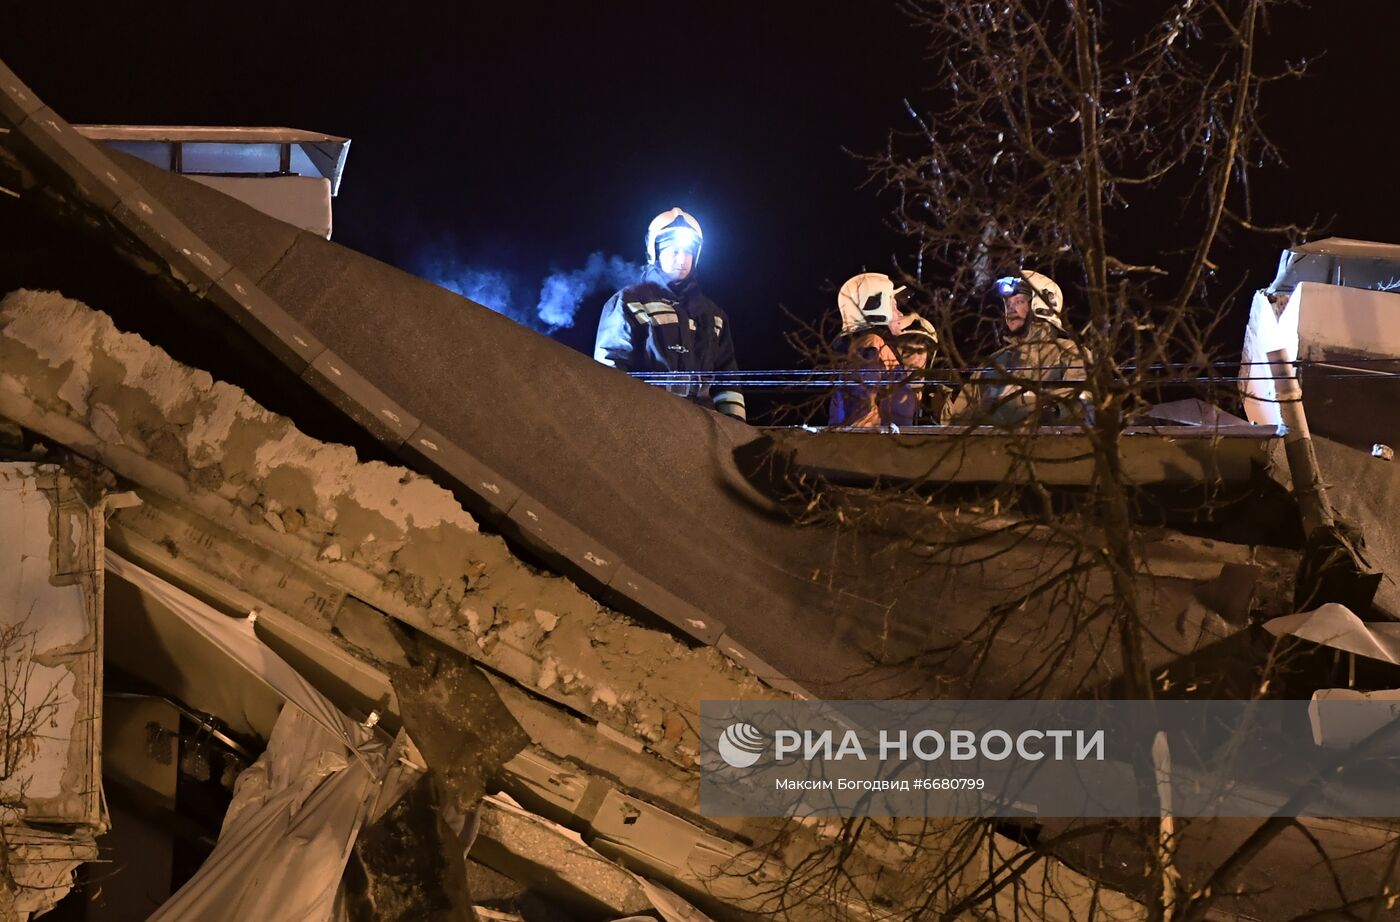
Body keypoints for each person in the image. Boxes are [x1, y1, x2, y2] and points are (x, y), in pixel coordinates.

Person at [593, 208, 746, 420]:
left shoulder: (714, 316)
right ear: (655, 252)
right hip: (647, 424)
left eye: (688, 252)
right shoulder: (630, 301)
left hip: (704, 430)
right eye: (674, 251)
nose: (681, 260)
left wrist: (737, 434)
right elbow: (608, 370)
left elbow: (728, 383)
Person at [946, 270, 1091, 426]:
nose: (1011, 309)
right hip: (992, 448)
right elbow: (957, 420)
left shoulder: (1072, 354)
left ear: (1043, 305)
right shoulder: (992, 364)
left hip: (1052, 446)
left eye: (1019, 302)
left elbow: (1080, 404)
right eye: (1008, 304)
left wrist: (1042, 412)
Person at [827, 272, 943, 427]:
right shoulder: (870, 345)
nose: (900, 313)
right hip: (872, 446)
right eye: (894, 306)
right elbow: (860, 414)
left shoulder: (874, 346)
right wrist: (875, 443)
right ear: (877, 306)